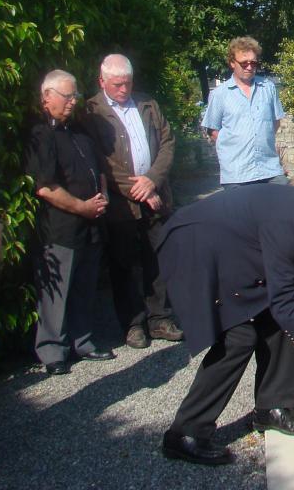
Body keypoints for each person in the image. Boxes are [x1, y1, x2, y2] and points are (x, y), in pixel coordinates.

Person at [155, 173, 294, 466]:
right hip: (195, 247)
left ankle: (271, 408)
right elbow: (284, 302)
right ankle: (185, 434)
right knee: (238, 336)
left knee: (277, 323)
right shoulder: (291, 221)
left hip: (229, 246)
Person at [83, 54, 182, 349]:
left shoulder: (147, 104)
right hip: (121, 205)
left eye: (127, 83)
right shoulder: (91, 111)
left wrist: (152, 179)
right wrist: (139, 189)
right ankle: (133, 324)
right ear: (102, 81)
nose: (124, 90)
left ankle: (159, 318)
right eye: (117, 85)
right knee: (123, 264)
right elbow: (101, 161)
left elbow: (168, 142)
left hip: (155, 196)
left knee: (159, 258)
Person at [25, 70, 113, 376]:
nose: (72, 102)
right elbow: (45, 186)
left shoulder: (80, 132)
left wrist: (101, 197)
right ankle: (52, 350)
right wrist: (82, 207)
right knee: (57, 292)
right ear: (47, 97)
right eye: (67, 96)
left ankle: (82, 340)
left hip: (91, 225)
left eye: (75, 96)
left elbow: (99, 170)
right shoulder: (41, 134)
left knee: (84, 287)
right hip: (60, 227)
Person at [201, 36, 287, 186]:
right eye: (244, 63)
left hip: (270, 170)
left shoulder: (268, 88)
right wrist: (234, 146)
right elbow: (212, 129)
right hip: (237, 174)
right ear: (232, 63)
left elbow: (275, 122)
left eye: (253, 63)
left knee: (284, 205)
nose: (249, 67)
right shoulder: (220, 94)